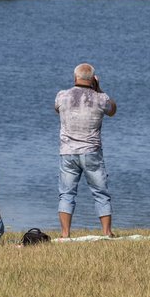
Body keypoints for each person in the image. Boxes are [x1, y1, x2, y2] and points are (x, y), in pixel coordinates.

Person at [55, 62, 117, 238]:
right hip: (91, 152)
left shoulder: (62, 96)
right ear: (93, 80)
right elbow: (112, 110)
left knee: (66, 194)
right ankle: (106, 232)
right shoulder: (100, 98)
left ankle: (65, 234)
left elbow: (56, 109)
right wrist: (99, 89)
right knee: (101, 193)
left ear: (75, 77)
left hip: (67, 152)